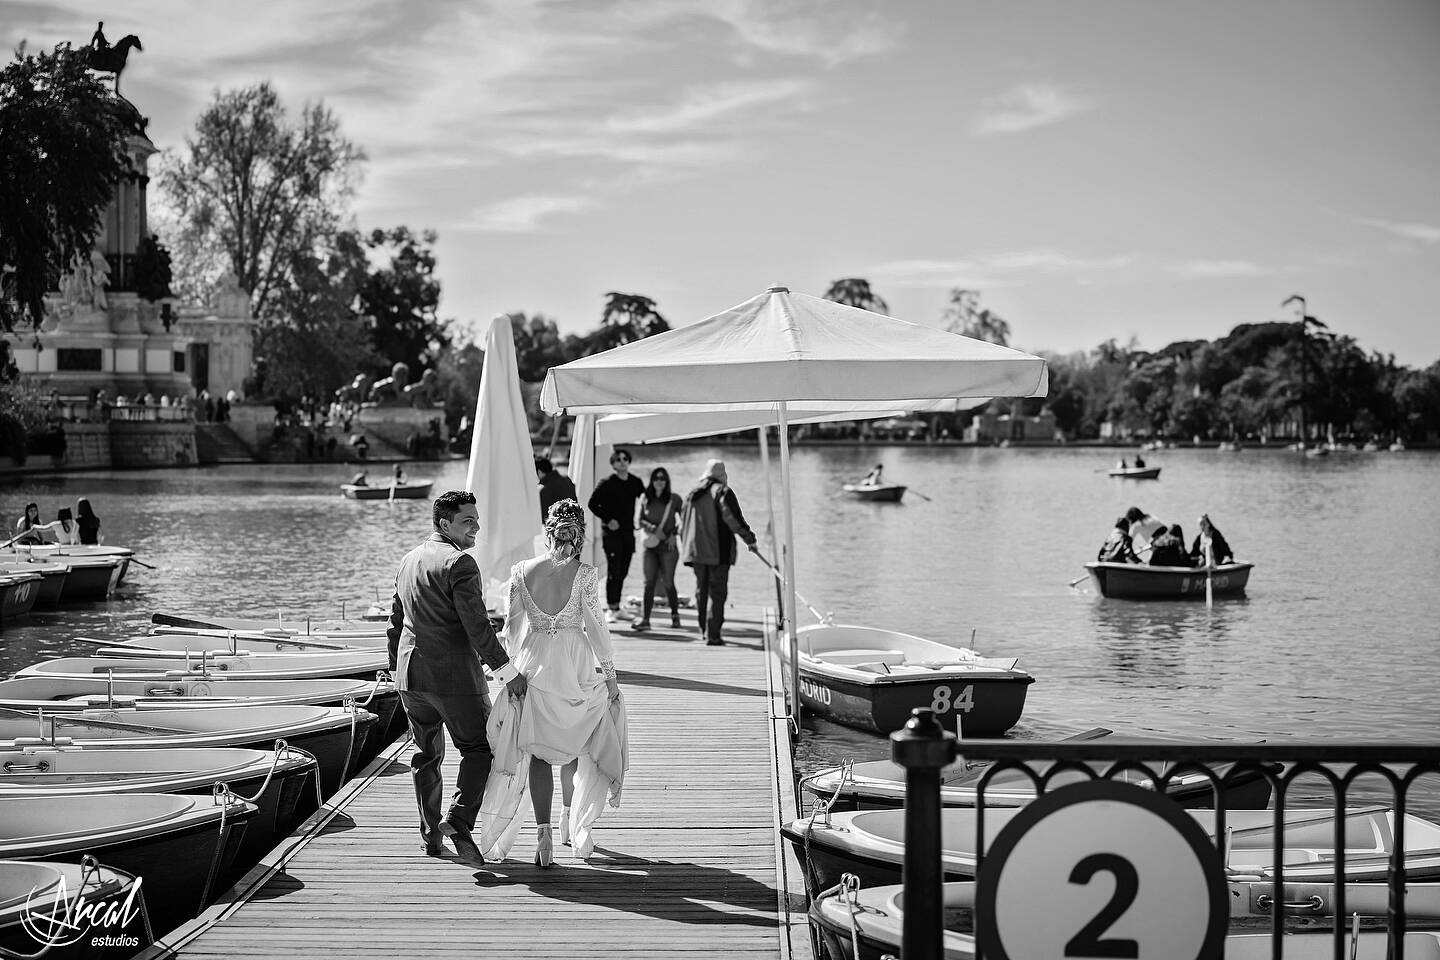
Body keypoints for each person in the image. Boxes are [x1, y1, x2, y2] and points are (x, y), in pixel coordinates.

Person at [479, 500, 626, 867]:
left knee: (540, 753)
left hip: (533, 664)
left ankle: (543, 834)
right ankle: (567, 819)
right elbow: (597, 629)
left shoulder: (521, 571)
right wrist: (610, 675)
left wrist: (513, 669)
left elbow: (511, 629)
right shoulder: (586, 574)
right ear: (580, 536)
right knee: (575, 745)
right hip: (573, 664)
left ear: (548, 531)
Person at [386, 490, 529, 864]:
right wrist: (506, 669)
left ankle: (431, 837)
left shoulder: (407, 560)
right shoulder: (460, 564)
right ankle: (459, 819)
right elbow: (478, 627)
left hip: (410, 677)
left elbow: (394, 625)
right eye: (468, 521)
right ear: (444, 523)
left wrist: (394, 667)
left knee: (425, 756)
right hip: (453, 680)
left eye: (476, 520)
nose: (476, 527)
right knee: (481, 749)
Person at [680, 459, 758, 646]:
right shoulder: (723, 491)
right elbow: (732, 518)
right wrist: (750, 539)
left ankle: (704, 631)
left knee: (701, 590)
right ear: (723, 475)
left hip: (696, 551)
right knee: (717, 592)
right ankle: (713, 635)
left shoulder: (692, 494)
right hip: (717, 551)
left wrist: (687, 548)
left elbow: (683, 523)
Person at [587, 448, 645, 621]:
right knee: (614, 570)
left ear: (629, 461)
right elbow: (592, 503)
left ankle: (617, 606)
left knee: (624, 570)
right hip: (611, 534)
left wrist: (642, 519)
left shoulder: (635, 482)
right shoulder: (607, 483)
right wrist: (608, 519)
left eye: (625, 458)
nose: (622, 461)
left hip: (628, 533)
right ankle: (612, 608)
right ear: (613, 464)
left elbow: (646, 500)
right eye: (618, 459)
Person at [632, 467, 683, 632]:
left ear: (667, 481)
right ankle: (646, 620)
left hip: (668, 547)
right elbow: (639, 521)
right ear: (652, 481)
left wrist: (674, 534)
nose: (659, 481)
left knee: (668, 583)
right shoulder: (646, 498)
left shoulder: (674, 499)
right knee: (649, 583)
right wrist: (654, 529)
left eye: (662, 478)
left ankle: (675, 617)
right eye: (656, 478)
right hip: (650, 546)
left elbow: (685, 520)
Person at [535, 455, 577, 523]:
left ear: (539, 472)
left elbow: (544, 519)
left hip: (559, 529)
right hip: (574, 525)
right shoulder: (567, 480)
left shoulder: (545, 490)